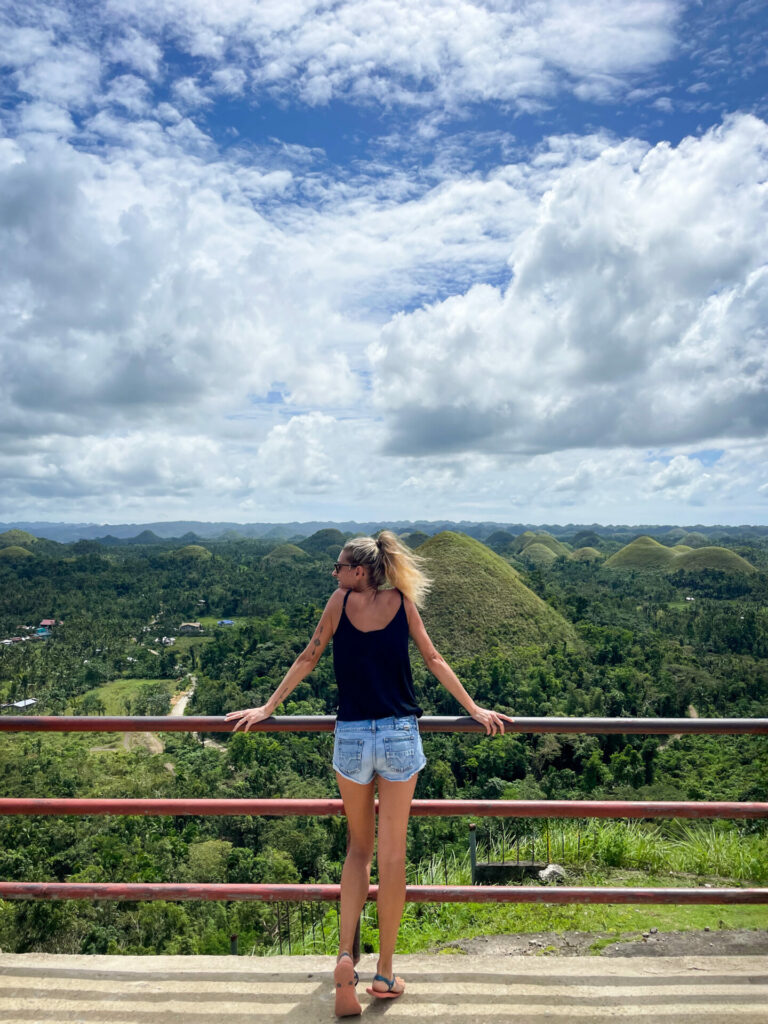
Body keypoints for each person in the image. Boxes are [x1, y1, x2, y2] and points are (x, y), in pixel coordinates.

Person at [225, 531, 513, 1017]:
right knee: (393, 856)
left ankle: (343, 959)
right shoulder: (401, 602)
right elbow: (434, 658)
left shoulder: (338, 603)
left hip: (353, 736)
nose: (334, 573)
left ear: (360, 571)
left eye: (339, 566)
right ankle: (383, 972)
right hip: (400, 735)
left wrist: (269, 706)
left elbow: (309, 656)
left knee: (358, 850)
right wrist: (474, 708)